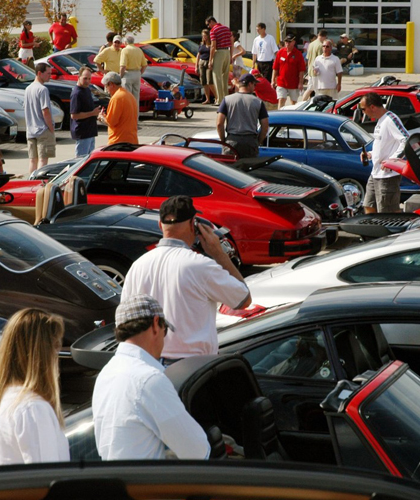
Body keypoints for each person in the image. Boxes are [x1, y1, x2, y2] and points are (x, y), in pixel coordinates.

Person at [121, 195, 250, 361]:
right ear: (192, 224)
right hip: (194, 365)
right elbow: (243, 299)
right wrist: (219, 254)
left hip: (149, 361)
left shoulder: (137, 266)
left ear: (160, 224)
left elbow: (126, 319)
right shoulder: (201, 265)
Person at [91, 294, 209, 460]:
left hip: (115, 475)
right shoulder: (149, 379)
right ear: (155, 324)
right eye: (165, 330)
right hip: (146, 477)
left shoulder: (106, 374)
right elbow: (197, 451)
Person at [0, 309, 69, 465]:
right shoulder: (33, 408)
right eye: (55, 347)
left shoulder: (4, 395)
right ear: (43, 354)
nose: (57, 357)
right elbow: (47, 474)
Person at [359, 93, 408, 214]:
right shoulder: (381, 121)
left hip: (388, 176)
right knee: (368, 206)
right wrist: (370, 154)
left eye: (363, 109)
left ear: (372, 107)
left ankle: (396, 227)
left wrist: (392, 161)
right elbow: (383, 144)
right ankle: (371, 227)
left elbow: (406, 140)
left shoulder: (390, 119)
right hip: (375, 173)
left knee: (387, 212)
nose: (363, 113)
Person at [217, 73, 269, 158]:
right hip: (250, 141)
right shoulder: (258, 102)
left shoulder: (227, 100)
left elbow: (219, 123)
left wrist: (223, 140)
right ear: (250, 84)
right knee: (249, 166)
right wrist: (258, 141)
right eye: (254, 85)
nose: (254, 87)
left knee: (229, 166)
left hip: (232, 140)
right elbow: (265, 126)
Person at [25, 62, 56, 172]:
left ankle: (31, 180)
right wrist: (51, 128)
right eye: (48, 73)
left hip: (30, 130)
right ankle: (39, 180)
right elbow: (45, 111)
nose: (50, 76)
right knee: (43, 159)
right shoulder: (43, 89)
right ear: (39, 73)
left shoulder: (28, 89)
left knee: (33, 160)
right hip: (43, 129)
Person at [99, 72, 138, 145]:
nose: (106, 90)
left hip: (119, 142)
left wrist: (101, 117)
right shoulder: (129, 95)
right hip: (132, 140)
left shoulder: (116, 98)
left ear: (111, 84)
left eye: (106, 86)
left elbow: (111, 122)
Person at [70, 67, 101, 157]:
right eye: (85, 78)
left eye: (89, 79)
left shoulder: (87, 89)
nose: (87, 81)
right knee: (81, 160)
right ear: (78, 77)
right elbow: (74, 115)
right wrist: (92, 113)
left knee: (90, 159)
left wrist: (97, 113)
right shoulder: (76, 93)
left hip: (90, 131)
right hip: (82, 132)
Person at [271, 35, 305, 108]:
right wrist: (273, 80)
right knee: (281, 99)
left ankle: (292, 114)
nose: (287, 43)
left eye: (289, 42)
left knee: (293, 102)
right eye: (286, 41)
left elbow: (301, 70)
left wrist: (300, 83)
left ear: (294, 42)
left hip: (293, 83)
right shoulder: (280, 52)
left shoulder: (298, 54)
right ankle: (280, 114)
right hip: (281, 82)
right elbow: (275, 68)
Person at [207, 16, 233, 104]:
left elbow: (213, 46)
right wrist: (231, 55)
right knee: (225, 76)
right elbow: (231, 42)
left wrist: (210, 60)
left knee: (217, 76)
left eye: (208, 24)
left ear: (211, 21)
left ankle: (220, 99)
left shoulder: (213, 30)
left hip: (219, 52)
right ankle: (226, 97)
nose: (208, 26)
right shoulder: (226, 28)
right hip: (227, 52)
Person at [120, 35, 148, 105]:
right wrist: (140, 73)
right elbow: (144, 65)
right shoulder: (139, 50)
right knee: (136, 97)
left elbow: (123, 66)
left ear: (125, 42)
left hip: (128, 73)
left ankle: (128, 112)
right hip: (137, 73)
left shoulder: (125, 50)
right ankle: (136, 112)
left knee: (127, 96)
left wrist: (120, 76)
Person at [303, 30, 328, 100]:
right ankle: (305, 102)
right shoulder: (320, 46)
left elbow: (308, 58)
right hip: (317, 72)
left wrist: (308, 71)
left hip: (311, 70)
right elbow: (321, 60)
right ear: (324, 37)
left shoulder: (311, 44)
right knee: (316, 90)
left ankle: (303, 102)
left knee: (310, 88)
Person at [197, 31, 216, 105]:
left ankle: (217, 97)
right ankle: (207, 99)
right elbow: (198, 54)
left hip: (208, 62)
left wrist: (211, 62)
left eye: (205, 35)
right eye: (203, 36)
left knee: (209, 81)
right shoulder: (201, 44)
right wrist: (196, 65)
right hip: (201, 62)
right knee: (203, 82)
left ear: (208, 36)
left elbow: (214, 54)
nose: (204, 37)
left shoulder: (211, 44)